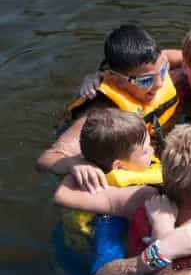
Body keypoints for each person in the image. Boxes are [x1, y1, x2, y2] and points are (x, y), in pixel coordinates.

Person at [54, 108, 191, 275]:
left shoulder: (109, 162)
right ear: (118, 166)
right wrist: (159, 252)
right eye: (144, 151)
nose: (153, 150)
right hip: (84, 259)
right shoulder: (110, 218)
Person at [37, 24, 180, 192]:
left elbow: (188, 58)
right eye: (146, 80)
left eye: (163, 71)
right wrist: (74, 163)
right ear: (117, 81)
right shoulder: (103, 114)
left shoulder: (155, 64)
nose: (159, 84)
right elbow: (47, 158)